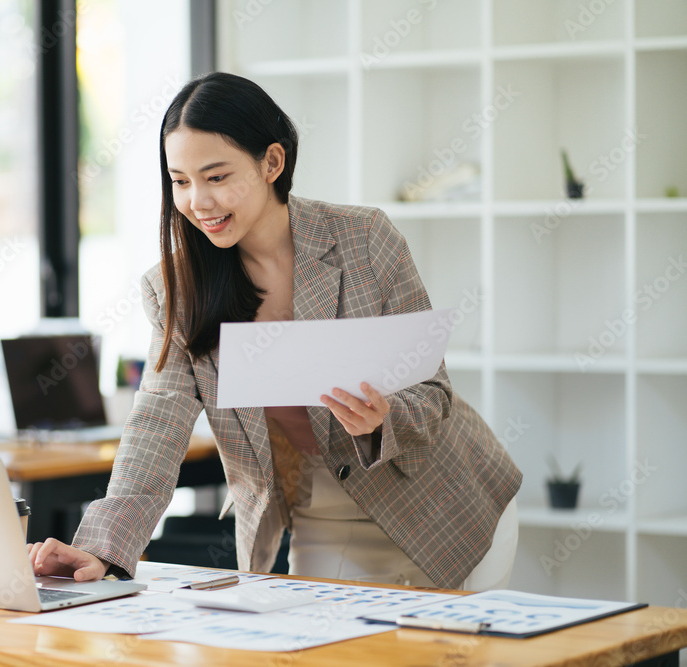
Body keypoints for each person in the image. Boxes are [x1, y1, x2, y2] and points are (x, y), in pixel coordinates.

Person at [29, 72, 522, 591]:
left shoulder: (364, 240)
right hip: (322, 519)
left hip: (448, 508)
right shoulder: (177, 288)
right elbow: (156, 425)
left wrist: (384, 418)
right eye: (180, 180)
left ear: (272, 162)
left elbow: (434, 392)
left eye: (217, 177)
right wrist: (102, 547)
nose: (198, 201)